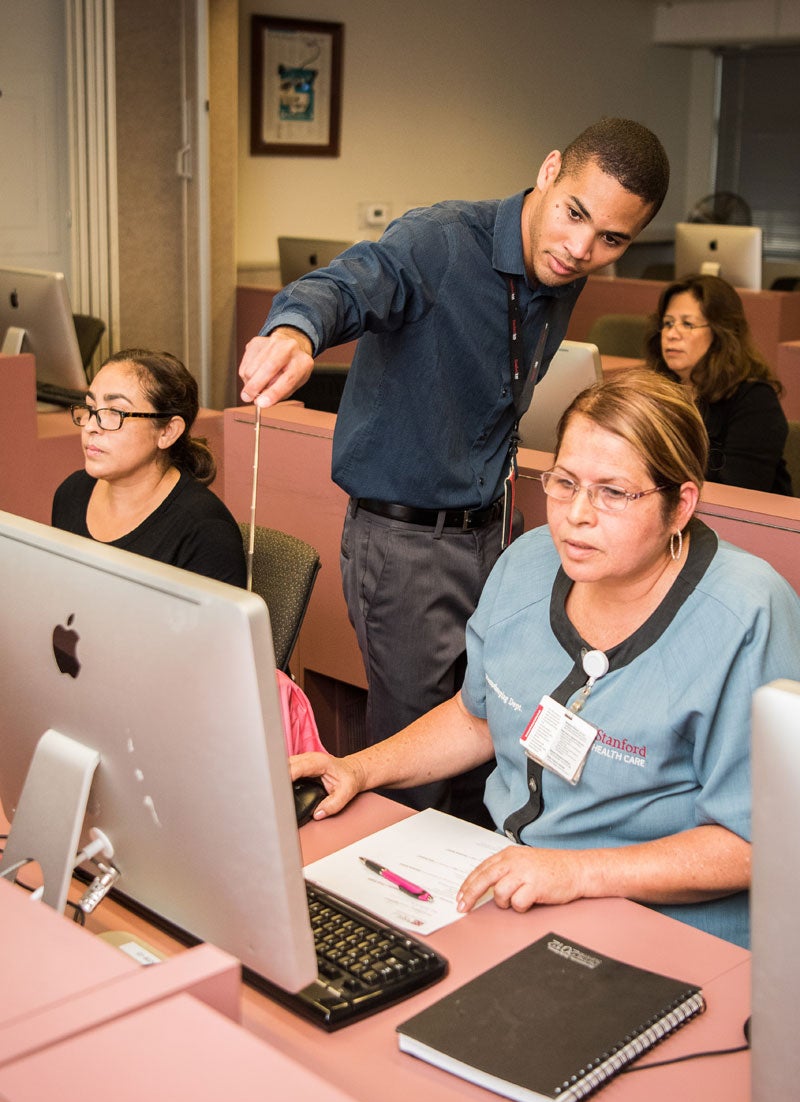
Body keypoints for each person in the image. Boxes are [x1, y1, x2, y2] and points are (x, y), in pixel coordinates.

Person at [238, 117, 670, 819]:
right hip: (406, 546)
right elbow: (350, 283)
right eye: (576, 214)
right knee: (415, 770)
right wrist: (297, 328)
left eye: (612, 240)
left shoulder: (562, 268)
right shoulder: (440, 240)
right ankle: (389, 917)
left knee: (494, 738)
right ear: (551, 168)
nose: (581, 249)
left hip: (498, 536)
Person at [288, 368, 800, 947]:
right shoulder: (529, 562)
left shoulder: (747, 616)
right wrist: (358, 768)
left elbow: (760, 842)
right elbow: (478, 715)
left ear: (680, 505)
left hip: (668, 928)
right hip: (522, 886)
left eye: (613, 492)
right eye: (564, 482)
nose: (576, 514)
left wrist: (577, 872)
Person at [52, 348, 246, 586]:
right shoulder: (72, 493)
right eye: (91, 408)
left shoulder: (205, 530)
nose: (91, 426)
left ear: (167, 431)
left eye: (115, 412)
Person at [645, 273, 792, 495]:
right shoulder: (657, 392)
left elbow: (740, 493)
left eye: (687, 324)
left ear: (720, 332)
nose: (671, 334)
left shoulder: (755, 401)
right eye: (667, 323)